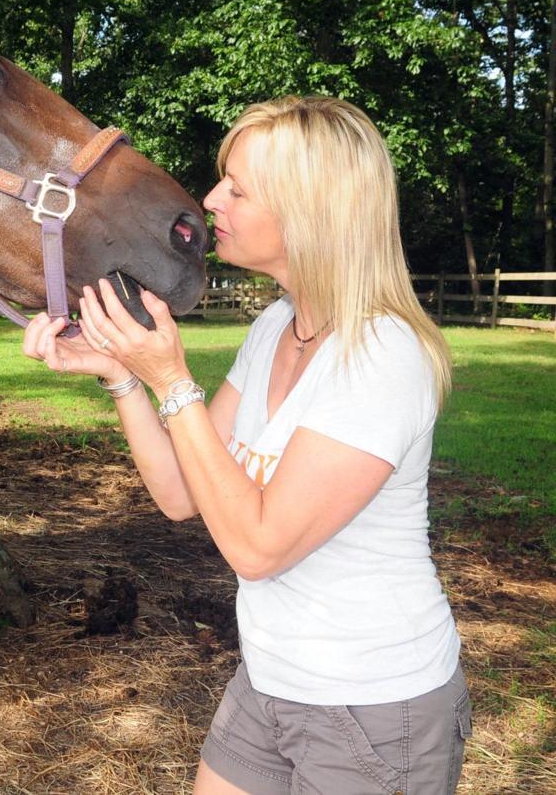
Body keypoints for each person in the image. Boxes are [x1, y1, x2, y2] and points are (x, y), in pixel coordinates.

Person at [23, 96, 469, 794]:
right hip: (271, 680)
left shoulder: (383, 355)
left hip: (376, 704)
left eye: (239, 186)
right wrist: (124, 379)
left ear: (312, 211)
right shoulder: (277, 328)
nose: (210, 199)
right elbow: (178, 492)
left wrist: (171, 377)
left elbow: (257, 548)